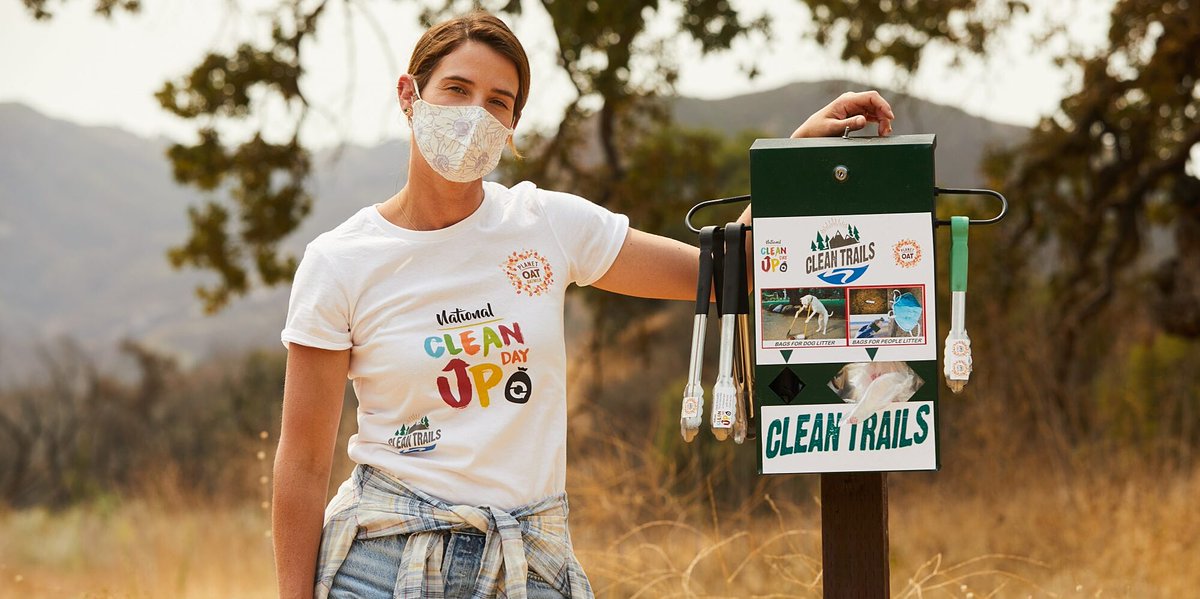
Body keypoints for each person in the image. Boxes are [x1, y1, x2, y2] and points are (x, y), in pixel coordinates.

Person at [273, 11, 895, 599]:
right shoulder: (340, 262)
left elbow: (721, 275)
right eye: (456, 89)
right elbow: (302, 464)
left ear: (512, 125)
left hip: (529, 563)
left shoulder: (545, 223)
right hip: (384, 563)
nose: (475, 114)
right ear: (410, 96)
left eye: (498, 102)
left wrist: (790, 161)